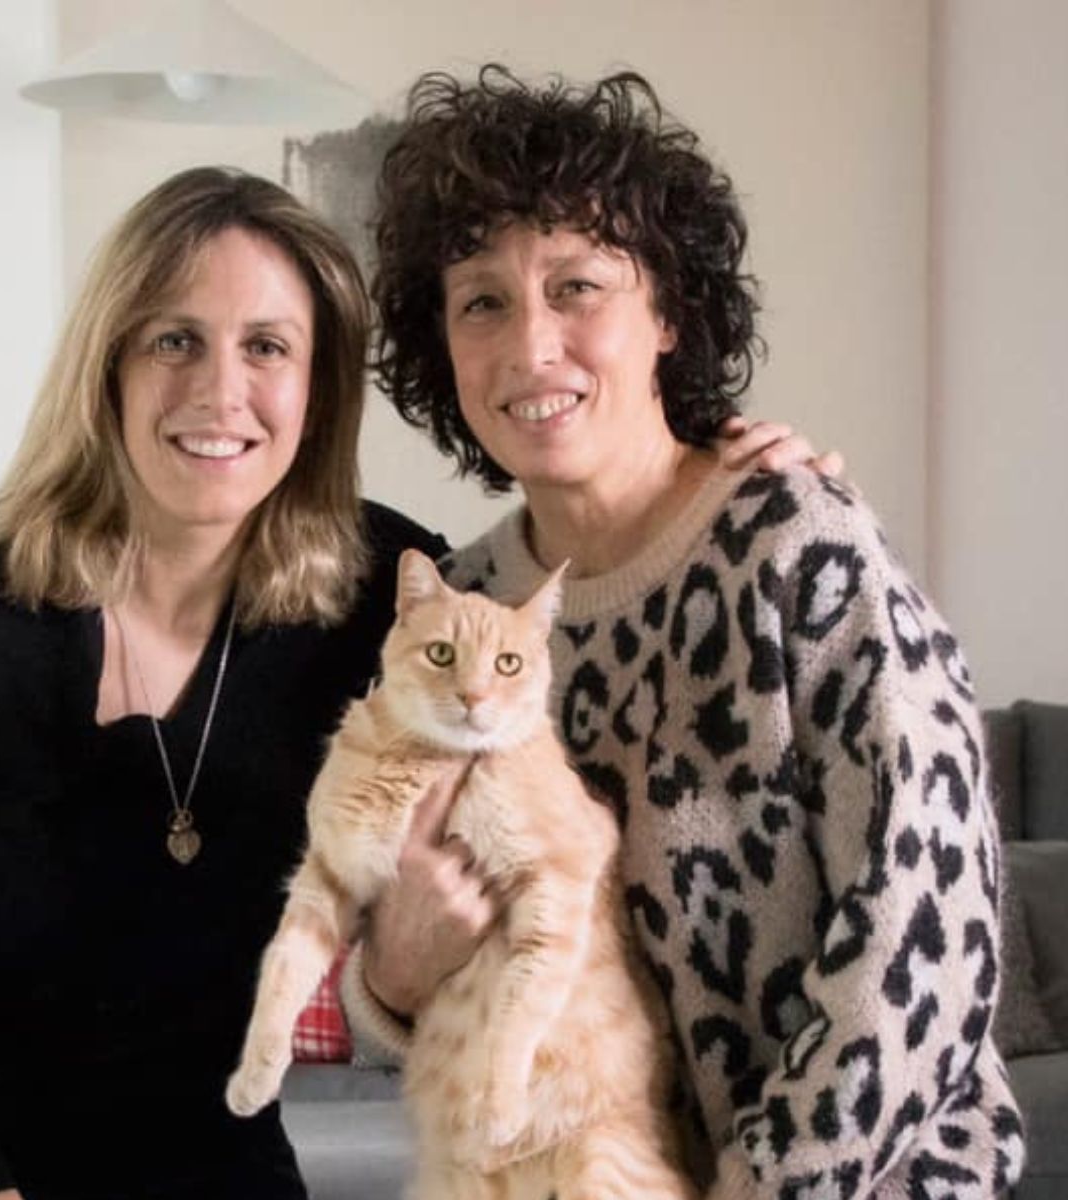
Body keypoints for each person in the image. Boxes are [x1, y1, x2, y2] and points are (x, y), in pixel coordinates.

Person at [0, 162, 825, 1200]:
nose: (219, 393)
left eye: (267, 348)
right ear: (109, 366)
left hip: (220, 1161)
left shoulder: (384, 596)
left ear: (318, 385)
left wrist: (726, 487)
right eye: (175, 339)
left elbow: (572, 613)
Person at [341, 67, 1026, 1199]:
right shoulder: (468, 610)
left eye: (577, 286)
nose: (531, 347)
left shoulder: (798, 543)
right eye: (483, 302)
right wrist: (395, 980)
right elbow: (421, 970)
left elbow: (928, 943)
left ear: (667, 315)